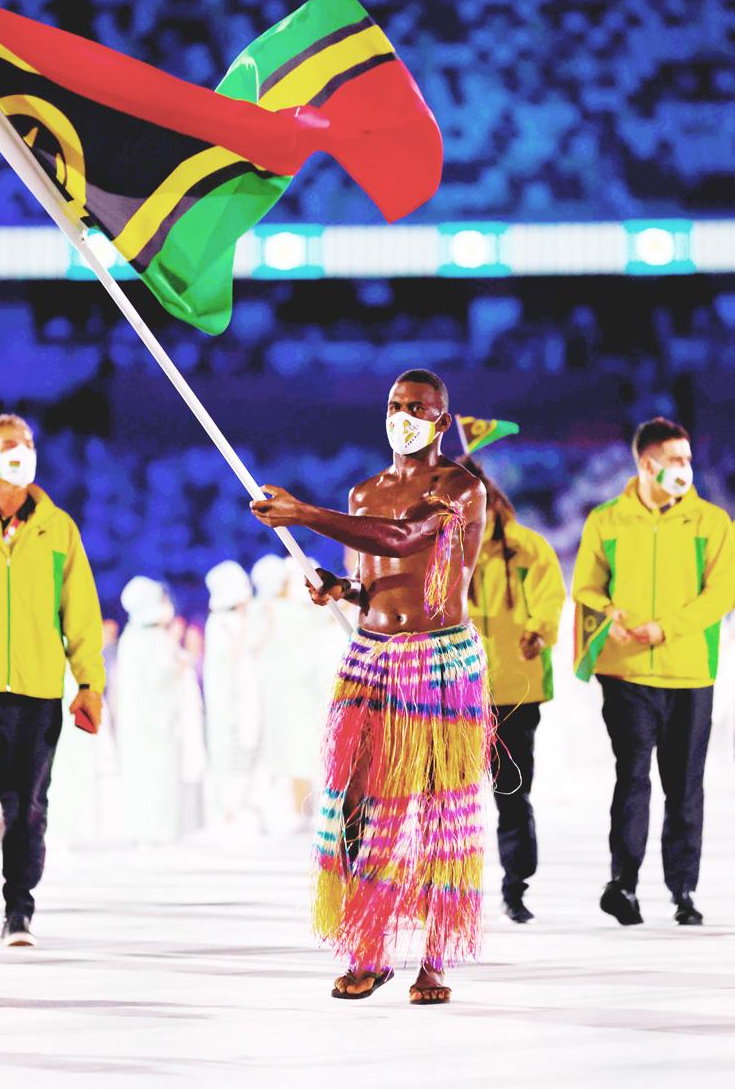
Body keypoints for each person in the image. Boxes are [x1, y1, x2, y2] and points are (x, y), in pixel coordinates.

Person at [251, 369, 491, 1005]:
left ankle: (434, 960)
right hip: (370, 660)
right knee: (353, 805)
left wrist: (304, 514)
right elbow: (378, 578)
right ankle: (371, 944)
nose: (403, 416)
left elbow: (406, 538)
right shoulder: (363, 493)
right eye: (394, 405)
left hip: (439, 662)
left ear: (442, 421)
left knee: (439, 813)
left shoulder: (459, 488)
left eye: (418, 407)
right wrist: (342, 588)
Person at [0, 413, 104, 946]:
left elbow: (80, 611)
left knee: (27, 804)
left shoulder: (58, 529)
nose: (24, 452)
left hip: (36, 690)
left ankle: (19, 907)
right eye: (12, 445)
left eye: (29, 444)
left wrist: (89, 684)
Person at [572, 417, 734, 926]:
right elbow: (586, 587)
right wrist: (610, 616)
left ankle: (683, 891)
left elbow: (722, 593)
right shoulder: (607, 520)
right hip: (625, 674)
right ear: (647, 464)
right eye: (675, 459)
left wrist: (665, 629)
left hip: (689, 674)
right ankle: (622, 885)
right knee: (632, 777)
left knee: (684, 787)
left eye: (688, 459)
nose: (686, 468)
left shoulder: (711, 523)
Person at [464, 459, 565, 924]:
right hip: (454, 694)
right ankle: (442, 887)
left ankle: (515, 885)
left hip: (514, 690)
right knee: (445, 796)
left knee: (512, 793)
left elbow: (550, 597)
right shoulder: (442, 552)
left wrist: (539, 631)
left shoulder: (526, 548)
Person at [115, 577, 190, 845]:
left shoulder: (131, 636)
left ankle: (146, 831)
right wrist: (181, 661)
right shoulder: (154, 638)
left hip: (139, 722)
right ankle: (155, 832)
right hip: (157, 722)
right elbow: (163, 677)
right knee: (157, 775)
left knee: (143, 774)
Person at [203, 560, 262, 831]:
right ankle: (228, 808)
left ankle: (241, 804)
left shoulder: (235, 621)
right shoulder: (221, 623)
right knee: (230, 752)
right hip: (231, 704)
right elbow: (230, 658)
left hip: (246, 700)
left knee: (247, 751)